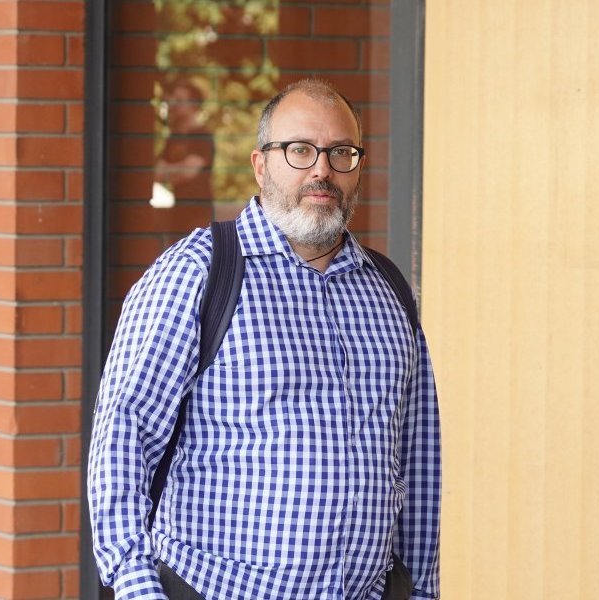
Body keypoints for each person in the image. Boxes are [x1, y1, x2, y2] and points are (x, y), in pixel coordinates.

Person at [88, 78, 441, 600]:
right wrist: (137, 585)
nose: (322, 169)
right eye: (299, 150)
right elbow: (124, 431)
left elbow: (418, 456)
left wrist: (422, 589)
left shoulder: (388, 289)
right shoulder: (200, 272)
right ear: (260, 165)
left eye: (341, 152)